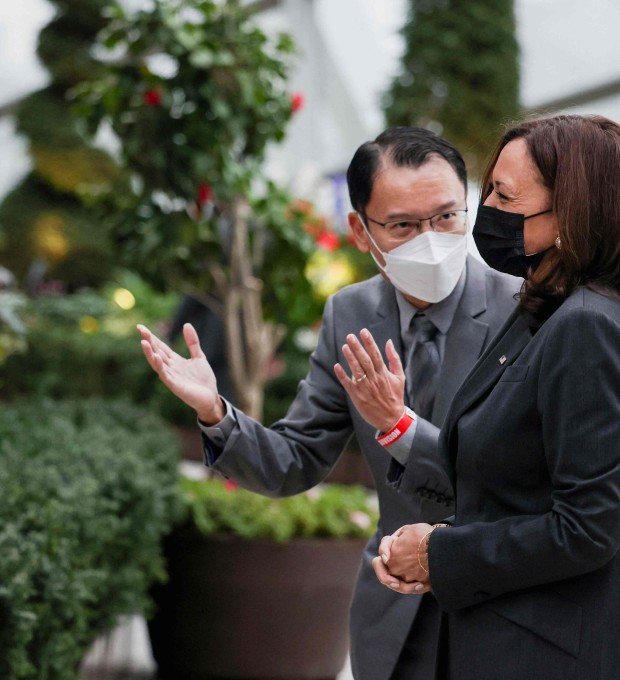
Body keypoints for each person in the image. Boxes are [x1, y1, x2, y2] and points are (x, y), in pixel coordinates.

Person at [138, 126, 521, 680]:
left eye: (445, 217)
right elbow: (294, 461)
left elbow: (514, 476)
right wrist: (215, 412)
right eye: (403, 226)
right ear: (360, 231)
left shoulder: (525, 307)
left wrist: (399, 427)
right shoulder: (352, 313)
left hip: (500, 607)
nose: (431, 239)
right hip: (392, 613)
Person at [374, 114, 620, 679]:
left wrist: (441, 556)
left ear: (571, 213)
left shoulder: (586, 327)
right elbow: (518, 488)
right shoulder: (544, 308)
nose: (487, 211)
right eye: (487, 191)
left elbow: (588, 528)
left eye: (506, 196)